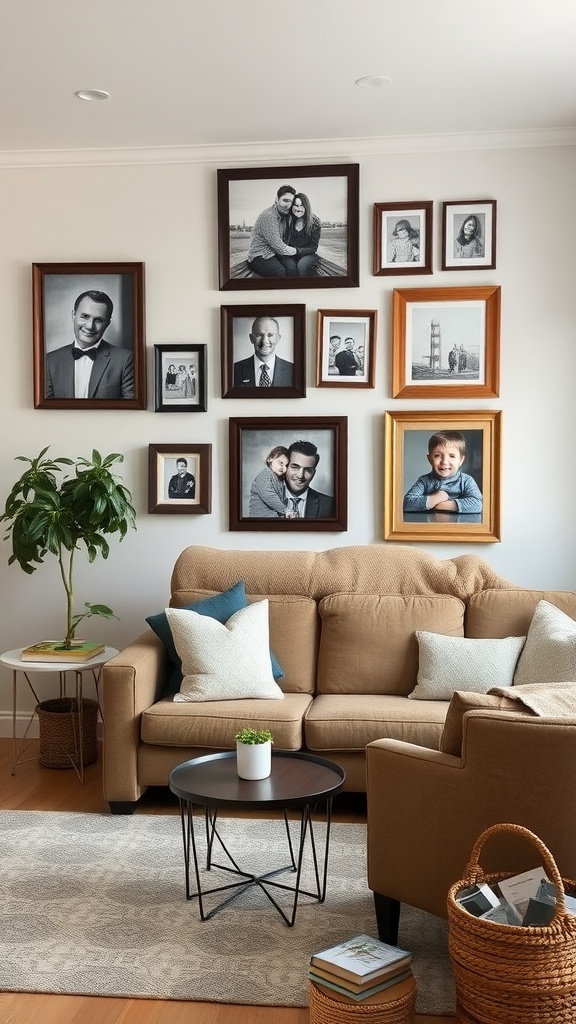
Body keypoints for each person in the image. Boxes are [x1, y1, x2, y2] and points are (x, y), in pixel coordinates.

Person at [45, 290, 135, 400]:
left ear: (107, 323)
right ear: (73, 315)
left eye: (98, 320)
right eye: (85, 316)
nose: (90, 326)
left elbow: (130, 411)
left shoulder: (125, 360)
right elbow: (47, 412)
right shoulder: (50, 360)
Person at [403, 431, 482, 514]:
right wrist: (435, 498)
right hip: (430, 524)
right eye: (437, 456)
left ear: (461, 460)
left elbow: (478, 504)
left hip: (458, 525)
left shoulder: (466, 481)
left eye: (452, 456)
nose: (444, 462)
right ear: (430, 459)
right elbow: (407, 503)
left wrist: (447, 505)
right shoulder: (425, 481)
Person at [246, 184, 298, 277]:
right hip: (259, 255)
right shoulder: (269, 216)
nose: (288, 205)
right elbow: (281, 248)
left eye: (291, 202)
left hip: (274, 253)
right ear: (276, 200)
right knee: (279, 272)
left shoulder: (284, 216)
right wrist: (299, 251)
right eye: (285, 200)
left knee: (292, 267)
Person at [233, 316, 294, 387]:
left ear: (278, 339)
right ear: (251, 338)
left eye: (270, 335)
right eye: (259, 335)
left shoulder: (293, 371)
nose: (264, 341)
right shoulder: (234, 370)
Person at [284, 440, 334, 518]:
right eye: (295, 467)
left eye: (308, 470)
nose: (300, 476)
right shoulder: (263, 501)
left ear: (314, 473)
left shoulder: (329, 505)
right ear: (285, 467)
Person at [249, 446, 295, 518]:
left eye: (286, 465)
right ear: (270, 459)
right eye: (281, 463)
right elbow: (269, 496)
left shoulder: (279, 479)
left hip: (273, 516)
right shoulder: (265, 475)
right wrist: (285, 510)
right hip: (261, 517)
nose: (284, 468)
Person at [282, 192, 321, 276]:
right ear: (291, 206)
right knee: (291, 268)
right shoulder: (286, 221)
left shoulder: (315, 222)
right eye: (295, 205)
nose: (298, 209)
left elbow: (313, 247)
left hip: (308, 255)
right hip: (289, 255)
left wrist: (296, 251)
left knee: (302, 265)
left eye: (301, 205)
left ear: (306, 207)